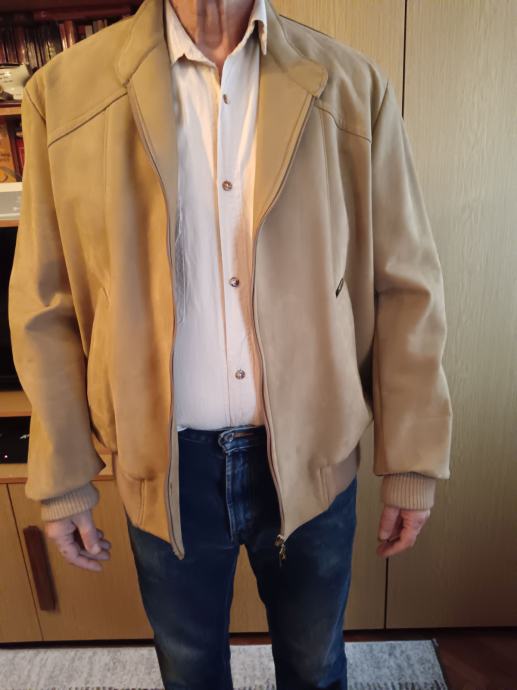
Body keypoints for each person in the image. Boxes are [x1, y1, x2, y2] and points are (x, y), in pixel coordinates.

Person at [8, 0, 453, 687]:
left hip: (314, 457)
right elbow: (47, 303)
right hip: (162, 467)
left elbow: (404, 285)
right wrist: (62, 475)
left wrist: (412, 460)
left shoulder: (351, 86)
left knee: (315, 667)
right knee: (190, 673)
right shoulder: (64, 95)